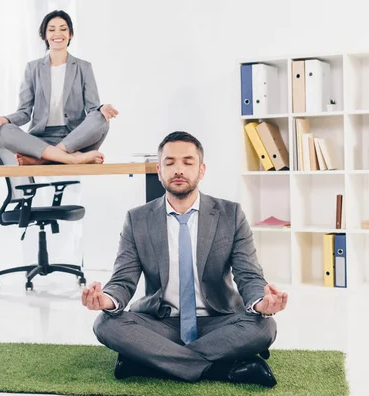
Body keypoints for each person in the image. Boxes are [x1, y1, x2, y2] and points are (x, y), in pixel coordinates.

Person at [81, 131, 288, 388]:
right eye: (169, 163)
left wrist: (261, 303)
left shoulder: (230, 214)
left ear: (201, 170)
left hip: (218, 319)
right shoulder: (138, 219)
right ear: (159, 170)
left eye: (188, 162)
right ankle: (223, 369)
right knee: (106, 324)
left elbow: (249, 275)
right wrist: (107, 299)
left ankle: (147, 361)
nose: (178, 169)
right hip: (161, 322)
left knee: (264, 328)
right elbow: (123, 279)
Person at [0, 10, 118, 166]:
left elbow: (92, 111)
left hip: (75, 138)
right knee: (1, 131)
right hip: (40, 139)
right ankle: (71, 158)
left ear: (70, 34)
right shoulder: (32, 68)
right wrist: (1, 120)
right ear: (44, 35)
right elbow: (24, 113)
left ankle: (45, 158)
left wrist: (102, 108)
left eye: (63, 29)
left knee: (101, 119)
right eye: (51, 29)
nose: (58, 33)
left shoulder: (83, 67)